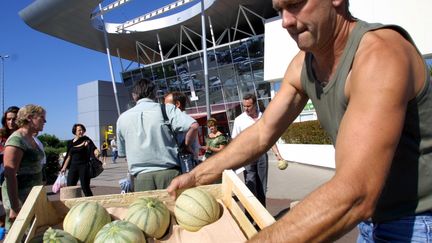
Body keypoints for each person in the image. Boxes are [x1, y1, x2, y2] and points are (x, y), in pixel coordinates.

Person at [167, 0, 432, 241]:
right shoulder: (304, 64)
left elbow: (356, 193)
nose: (285, 22)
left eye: (294, 5)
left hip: (419, 223)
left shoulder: (380, 54)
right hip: (371, 223)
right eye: (279, 10)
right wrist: (196, 176)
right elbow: (262, 132)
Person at [117, 78, 199, 191]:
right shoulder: (166, 109)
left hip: (140, 178)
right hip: (170, 174)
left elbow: (122, 153)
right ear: (154, 93)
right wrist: (187, 145)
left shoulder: (122, 118)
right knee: (174, 207)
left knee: (146, 208)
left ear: (134, 96)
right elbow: (193, 126)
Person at [232, 93, 283, 208]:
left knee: (262, 187)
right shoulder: (239, 120)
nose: (246, 109)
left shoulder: (264, 117)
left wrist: (277, 154)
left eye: (248, 106)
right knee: (251, 187)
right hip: (247, 157)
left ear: (255, 104)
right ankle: (250, 217)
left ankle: (262, 215)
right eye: (244, 106)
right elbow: (234, 141)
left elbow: (270, 138)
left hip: (262, 156)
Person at [2, 105, 46, 230]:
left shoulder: (30, 138)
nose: (45, 121)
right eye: (42, 117)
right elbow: (10, 174)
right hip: (19, 199)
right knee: (19, 233)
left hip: (31, 196)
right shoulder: (16, 140)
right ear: (29, 118)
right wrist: (15, 207)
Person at [60, 124, 100, 197]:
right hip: (73, 167)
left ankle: (91, 202)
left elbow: (93, 148)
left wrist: (96, 151)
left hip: (84, 166)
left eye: (82, 130)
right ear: (75, 131)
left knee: (85, 187)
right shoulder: (70, 143)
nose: (81, 132)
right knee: (70, 186)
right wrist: (64, 168)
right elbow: (68, 156)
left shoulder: (86, 139)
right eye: (79, 130)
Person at [164, 91, 201, 161]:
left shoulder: (179, 121)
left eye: (168, 106)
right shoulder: (185, 118)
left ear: (177, 104)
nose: (165, 108)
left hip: (186, 161)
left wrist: (186, 146)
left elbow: (194, 126)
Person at [0, 106, 19, 228]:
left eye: (14, 119)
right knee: (5, 209)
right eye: (8, 119)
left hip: (19, 177)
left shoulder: (23, 135)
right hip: (3, 175)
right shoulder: (1, 136)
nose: (11, 122)